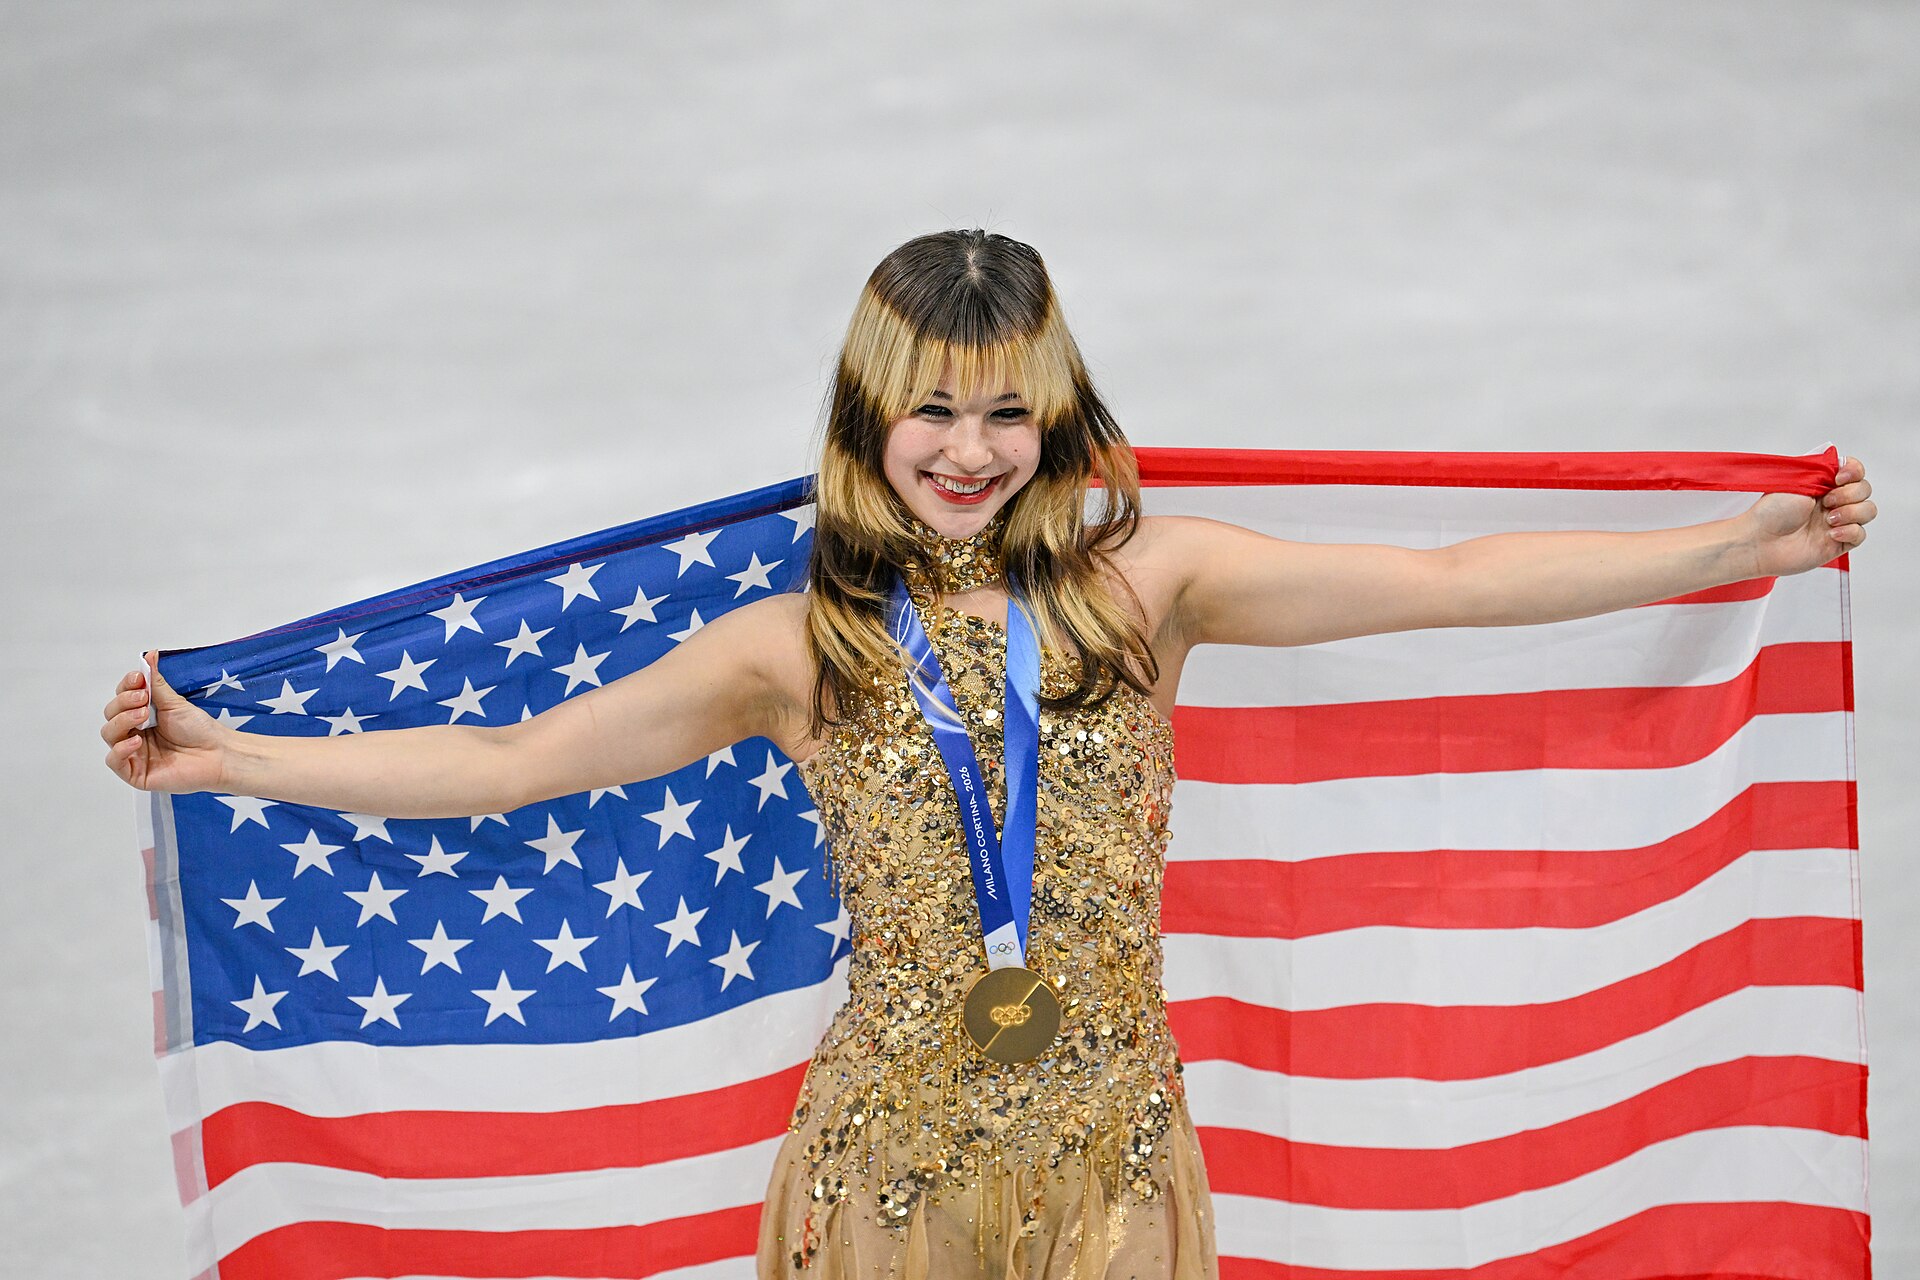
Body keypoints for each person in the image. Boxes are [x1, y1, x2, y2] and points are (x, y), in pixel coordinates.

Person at [100, 229, 1878, 1280]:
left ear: (1060, 410)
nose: (969, 447)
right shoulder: (797, 645)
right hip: (891, 1172)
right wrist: (230, 755)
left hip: (1116, 1160)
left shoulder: (1150, 584)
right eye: (934, 407)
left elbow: (1453, 580)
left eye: (1008, 406)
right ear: (870, 411)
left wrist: (1745, 549)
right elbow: (512, 758)